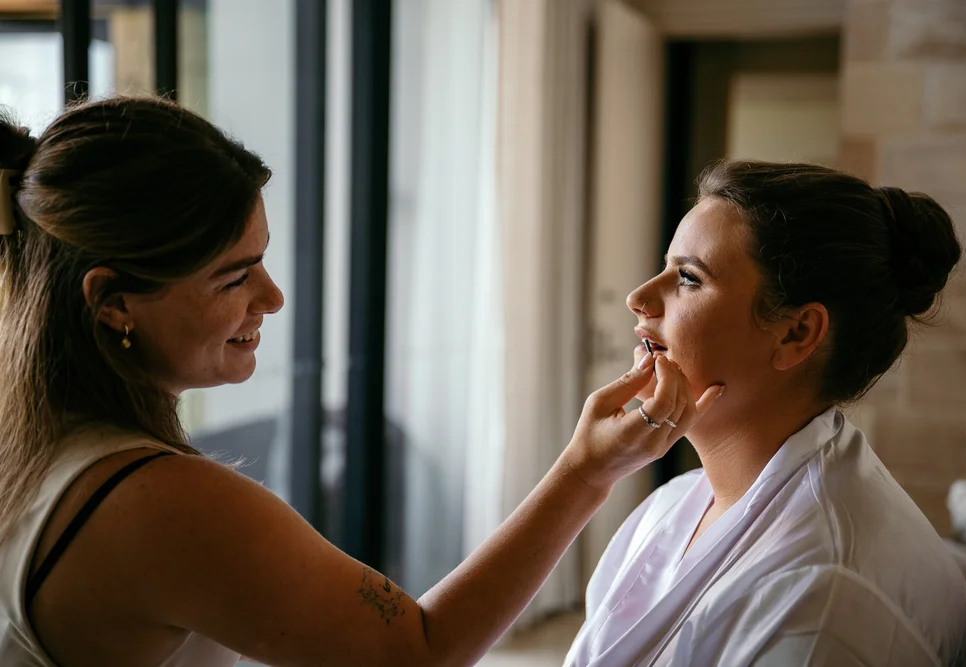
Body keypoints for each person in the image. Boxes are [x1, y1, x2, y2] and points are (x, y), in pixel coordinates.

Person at [0, 96, 724, 667]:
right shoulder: (160, 503)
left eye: (262, 260)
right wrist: (586, 472)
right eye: (233, 277)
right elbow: (416, 652)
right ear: (113, 302)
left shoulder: (32, 453)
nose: (272, 297)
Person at [564, 161, 966, 667]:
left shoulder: (819, 600)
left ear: (796, 333)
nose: (638, 298)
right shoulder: (674, 504)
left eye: (688, 277)